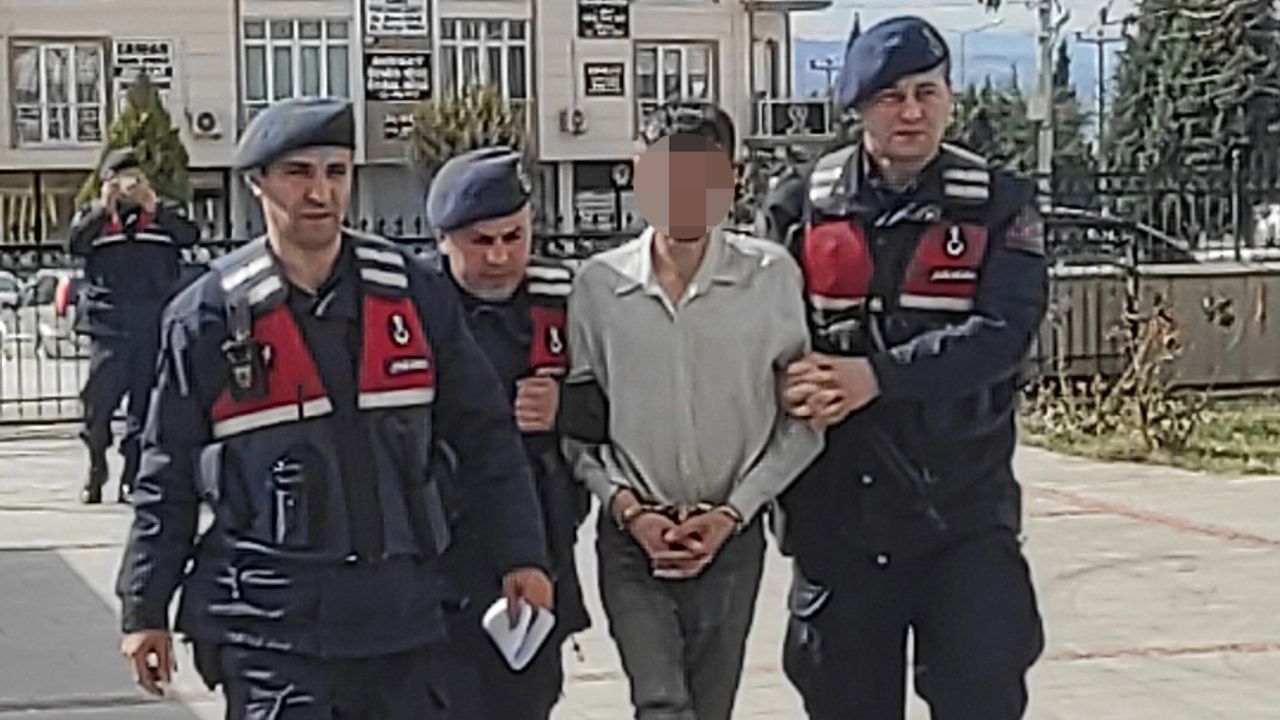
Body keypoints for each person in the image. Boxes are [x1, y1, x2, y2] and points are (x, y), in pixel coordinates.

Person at [113, 97, 554, 720]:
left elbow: (486, 437)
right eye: (298, 173)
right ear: (258, 183)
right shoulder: (207, 317)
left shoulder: (412, 295)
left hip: (401, 622)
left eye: (336, 172)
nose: (320, 192)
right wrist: (144, 606)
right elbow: (167, 472)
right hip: (270, 626)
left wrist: (523, 554)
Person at [760, 16, 1049, 720]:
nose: (912, 112)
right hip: (840, 514)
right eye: (891, 97)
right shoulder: (800, 205)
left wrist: (878, 377)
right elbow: (758, 335)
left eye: (927, 92)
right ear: (859, 107)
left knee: (982, 689)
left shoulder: (997, 203)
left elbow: (1004, 333)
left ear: (950, 97)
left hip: (961, 505)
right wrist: (787, 380)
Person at [560, 102, 823, 720]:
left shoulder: (770, 278)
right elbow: (580, 430)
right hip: (633, 536)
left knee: (708, 708)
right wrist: (629, 509)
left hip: (730, 535)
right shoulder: (599, 286)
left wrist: (735, 511)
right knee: (661, 702)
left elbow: (803, 420)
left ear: (733, 178)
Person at [423, 146, 590, 720]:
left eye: (513, 237)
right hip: (442, 557)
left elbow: (630, 402)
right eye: (480, 241)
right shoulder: (414, 308)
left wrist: (567, 407)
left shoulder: (565, 298)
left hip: (541, 541)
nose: (499, 257)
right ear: (444, 240)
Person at [68, 147, 199, 504]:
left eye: (136, 179)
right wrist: (103, 207)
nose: (129, 187)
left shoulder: (162, 214)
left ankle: (132, 474)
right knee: (98, 405)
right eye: (121, 180)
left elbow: (190, 235)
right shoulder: (95, 218)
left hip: (152, 323)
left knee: (144, 407)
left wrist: (154, 207)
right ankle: (97, 464)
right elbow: (75, 245)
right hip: (108, 326)